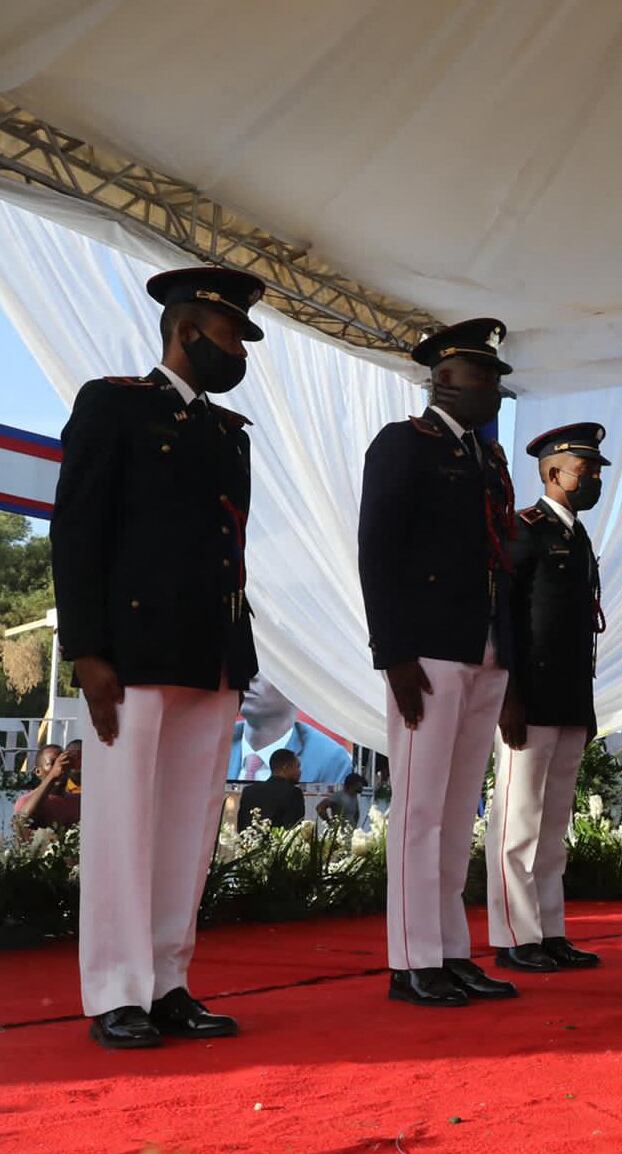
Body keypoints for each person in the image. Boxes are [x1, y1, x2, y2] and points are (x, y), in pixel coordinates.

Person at [51, 266, 265, 1049]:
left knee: (187, 827)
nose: (238, 349)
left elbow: (226, 552)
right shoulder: (114, 405)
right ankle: (116, 991)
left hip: (211, 651)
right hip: (132, 652)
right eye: (230, 334)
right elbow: (77, 532)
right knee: (120, 826)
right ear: (185, 330)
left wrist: (237, 656)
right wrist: (85, 651)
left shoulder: (225, 432)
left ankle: (168, 980)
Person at [359, 317, 519, 1008]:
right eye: (482, 377)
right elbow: (378, 548)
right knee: (421, 810)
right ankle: (412, 960)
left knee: (458, 812)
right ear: (445, 378)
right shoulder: (405, 444)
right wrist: (391, 650)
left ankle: (451, 950)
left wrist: (506, 650)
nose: (493, 391)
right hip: (424, 650)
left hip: (478, 646)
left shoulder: (488, 461)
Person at [487, 422, 610, 974]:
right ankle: (515, 935)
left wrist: (585, 708)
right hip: (528, 697)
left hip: (567, 697)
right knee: (518, 824)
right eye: (587, 471)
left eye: (598, 472)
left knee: (554, 824)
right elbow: (505, 619)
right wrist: (508, 694)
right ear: (553, 472)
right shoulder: (525, 530)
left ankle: (551, 930)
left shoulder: (577, 536)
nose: (595, 480)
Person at [228, 675, 354, 786]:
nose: (250, 675)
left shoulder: (330, 761)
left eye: (265, 668)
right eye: (246, 664)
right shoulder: (212, 743)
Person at [13, 741, 80, 830]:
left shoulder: (77, 800)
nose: (60, 767)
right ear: (38, 772)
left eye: (64, 762)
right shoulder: (26, 801)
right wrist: (52, 775)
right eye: (52, 763)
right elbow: (22, 821)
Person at [235, 748, 305, 830]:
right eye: (297, 766)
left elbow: (241, 827)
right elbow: (293, 830)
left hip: (249, 841)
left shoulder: (249, 791)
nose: (300, 771)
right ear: (285, 767)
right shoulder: (293, 793)